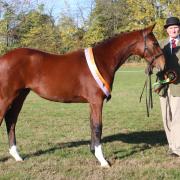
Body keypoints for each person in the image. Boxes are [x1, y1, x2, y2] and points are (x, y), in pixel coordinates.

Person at [158, 16, 180, 156]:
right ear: (167, 30)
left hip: (178, 86)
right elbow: (154, 62)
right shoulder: (160, 44)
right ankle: (171, 145)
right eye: (170, 28)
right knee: (166, 117)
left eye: (176, 27)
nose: (173, 30)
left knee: (177, 117)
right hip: (163, 86)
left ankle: (177, 148)